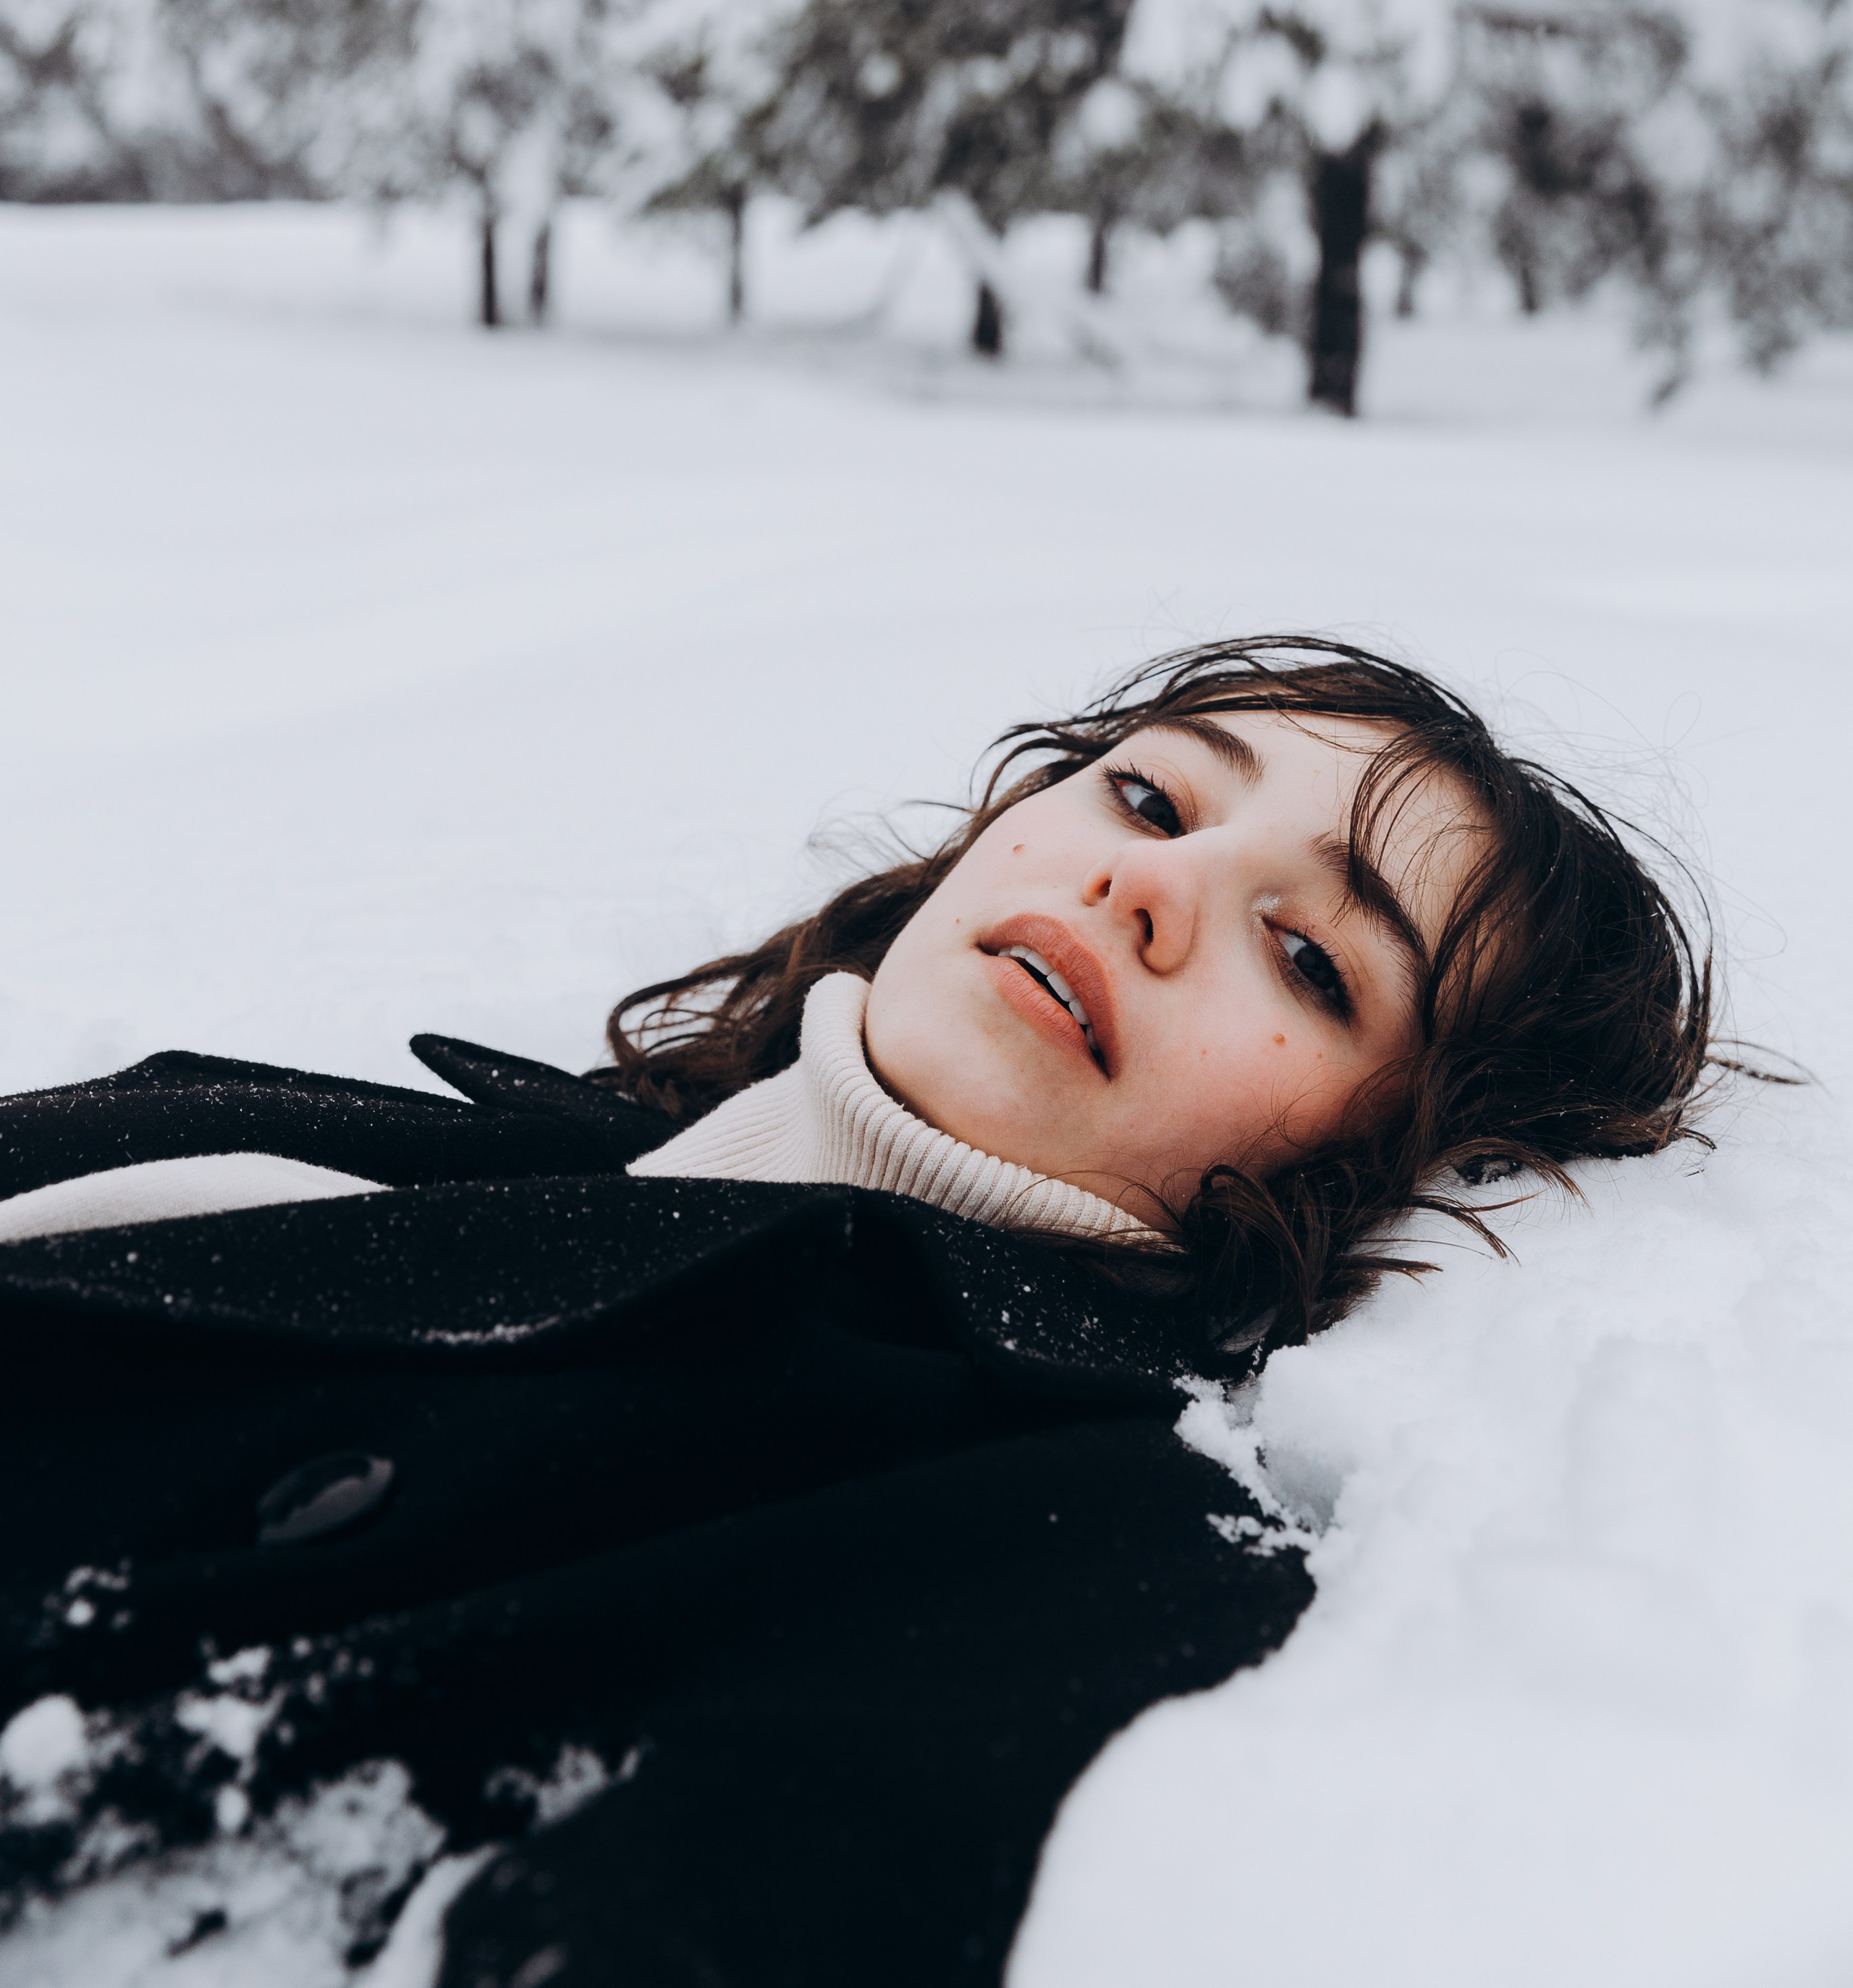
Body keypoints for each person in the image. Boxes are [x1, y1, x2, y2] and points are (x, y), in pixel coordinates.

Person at [0, 638, 1716, 1987]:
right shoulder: (348, 1129)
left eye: (1311, 961)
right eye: (1148, 798)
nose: (1151, 890)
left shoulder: (1079, 1551)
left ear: (1402, 1158)